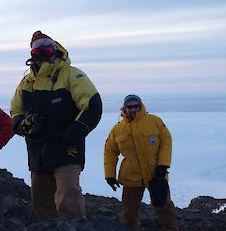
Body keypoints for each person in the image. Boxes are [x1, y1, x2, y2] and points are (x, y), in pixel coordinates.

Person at [10, 31, 102, 220]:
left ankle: (76, 226)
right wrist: (22, 126)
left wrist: (74, 132)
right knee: (41, 202)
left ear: (55, 49)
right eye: (37, 51)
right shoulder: (27, 82)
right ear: (32, 54)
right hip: (38, 151)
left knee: (68, 195)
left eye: (46, 48)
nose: (42, 54)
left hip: (66, 149)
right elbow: (15, 110)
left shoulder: (71, 74)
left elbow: (92, 104)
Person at [104, 94, 178, 231]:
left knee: (164, 208)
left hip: (156, 174)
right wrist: (110, 175)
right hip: (131, 176)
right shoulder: (118, 129)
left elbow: (166, 142)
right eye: (129, 106)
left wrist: (163, 165)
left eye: (136, 106)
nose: (133, 109)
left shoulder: (154, 121)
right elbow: (110, 152)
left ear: (141, 106)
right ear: (125, 108)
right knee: (129, 212)